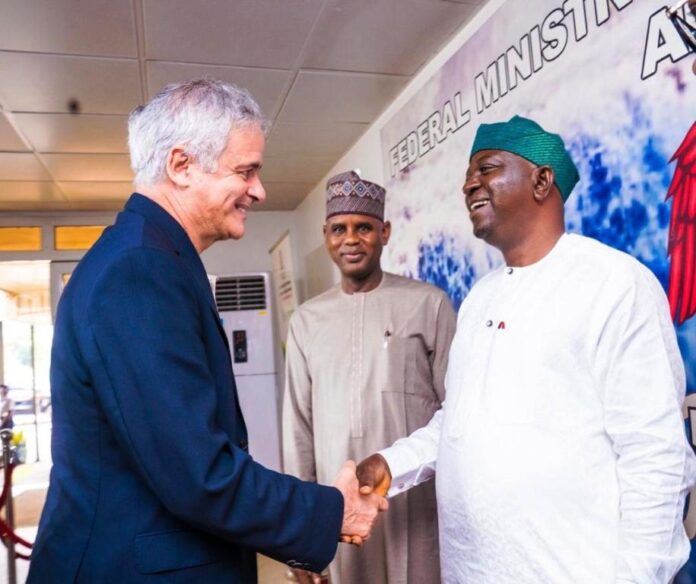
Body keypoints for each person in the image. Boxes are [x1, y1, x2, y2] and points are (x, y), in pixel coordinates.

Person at [28, 79, 386, 584]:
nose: (259, 190)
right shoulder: (139, 271)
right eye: (246, 171)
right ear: (181, 165)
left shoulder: (153, 258)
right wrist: (329, 512)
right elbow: (197, 474)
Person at [357, 116, 696, 583]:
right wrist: (391, 465)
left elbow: (656, 457)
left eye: (488, 168)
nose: (469, 184)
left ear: (542, 180)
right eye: (467, 174)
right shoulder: (479, 298)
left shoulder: (614, 284)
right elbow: (459, 423)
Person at [283, 171, 456, 584]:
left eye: (364, 228)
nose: (351, 239)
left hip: (414, 503)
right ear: (326, 235)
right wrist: (299, 536)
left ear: (385, 232)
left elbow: (458, 414)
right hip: (336, 504)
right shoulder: (307, 320)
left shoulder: (429, 304)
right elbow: (298, 432)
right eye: (339, 229)